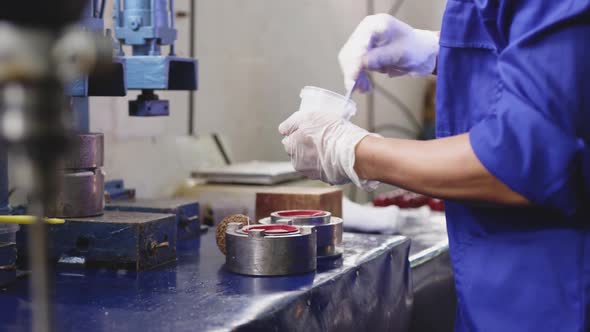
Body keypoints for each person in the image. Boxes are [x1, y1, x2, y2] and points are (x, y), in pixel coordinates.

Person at [278, 1, 590, 330]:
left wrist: (352, 150)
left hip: (553, 293)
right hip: (497, 288)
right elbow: (550, 68)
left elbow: (526, 158)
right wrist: (441, 52)